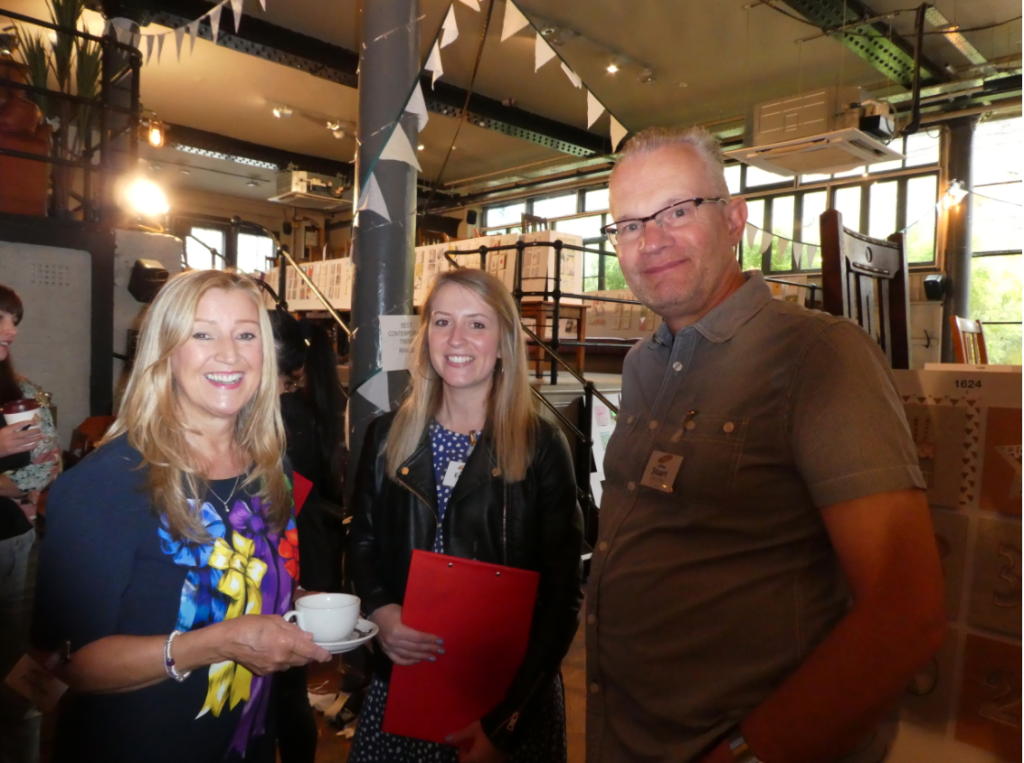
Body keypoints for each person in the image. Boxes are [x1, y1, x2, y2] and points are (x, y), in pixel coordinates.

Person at [586, 127, 946, 763]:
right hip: (627, 734)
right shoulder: (644, 365)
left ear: (734, 220)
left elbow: (904, 614)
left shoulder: (819, 356)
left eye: (676, 211)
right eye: (630, 224)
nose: (652, 240)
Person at [32, 269, 331, 763]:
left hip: (247, 740)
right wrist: (213, 644)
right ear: (165, 352)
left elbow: (244, 574)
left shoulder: (270, 467)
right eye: (202, 333)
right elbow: (64, 663)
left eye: (246, 334)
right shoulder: (106, 483)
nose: (229, 354)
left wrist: (301, 601)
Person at [348, 268, 584, 763]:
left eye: (477, 324)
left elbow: (562, 594)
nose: (457, 339)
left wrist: (505, 720)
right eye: (442, 322)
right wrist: (379, 610)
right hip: (406, 685)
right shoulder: (386, 436)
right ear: (426, 336)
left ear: (504, 343)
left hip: (507, 695)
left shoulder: (542, 445)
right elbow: (363, 542)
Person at [269, 309, 346, 763]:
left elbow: (283, 502)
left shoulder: (285, 414)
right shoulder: (308, 404)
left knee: (284, 690)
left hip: (289, 551)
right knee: (288, 690)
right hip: (306, 541)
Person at [0, 285, 60, 763]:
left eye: (14, 320)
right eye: (1, 318)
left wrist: (32, 489)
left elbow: (44, 461)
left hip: (18, 540)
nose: (11, 329)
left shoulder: (19, 391)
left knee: (22, 660)